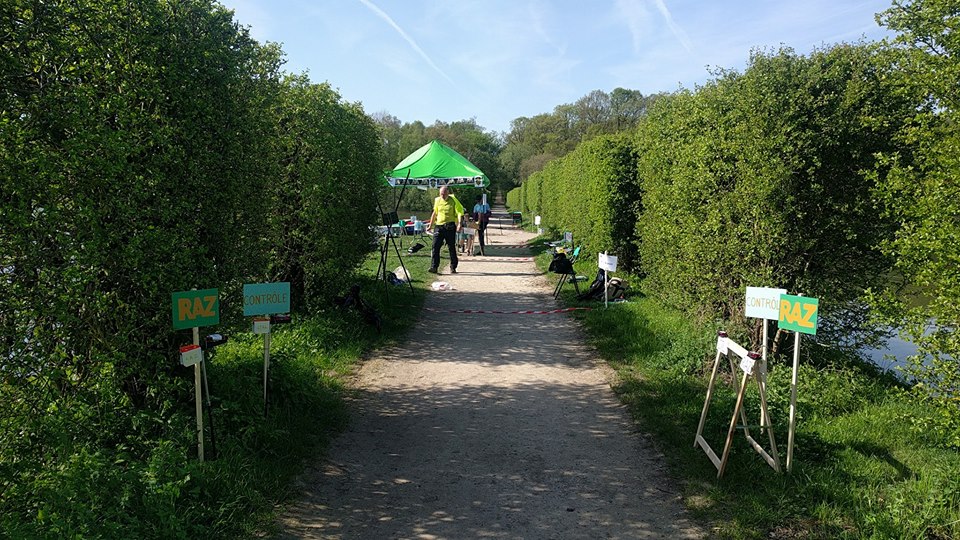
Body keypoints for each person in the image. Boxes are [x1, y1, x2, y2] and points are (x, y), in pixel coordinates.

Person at [426, 185, 464, 274]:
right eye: (441, 194)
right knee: (435, 246)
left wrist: (459, 224)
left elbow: (459, 213)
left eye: (444, 194)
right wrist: (430, 225)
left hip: (450, 226)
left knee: (451, 247)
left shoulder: (453, 200)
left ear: (448, 193)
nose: (442, 196)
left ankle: (453, 267)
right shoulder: (437, 200)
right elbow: (434, 213)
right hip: (439, 226)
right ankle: (434, 267)